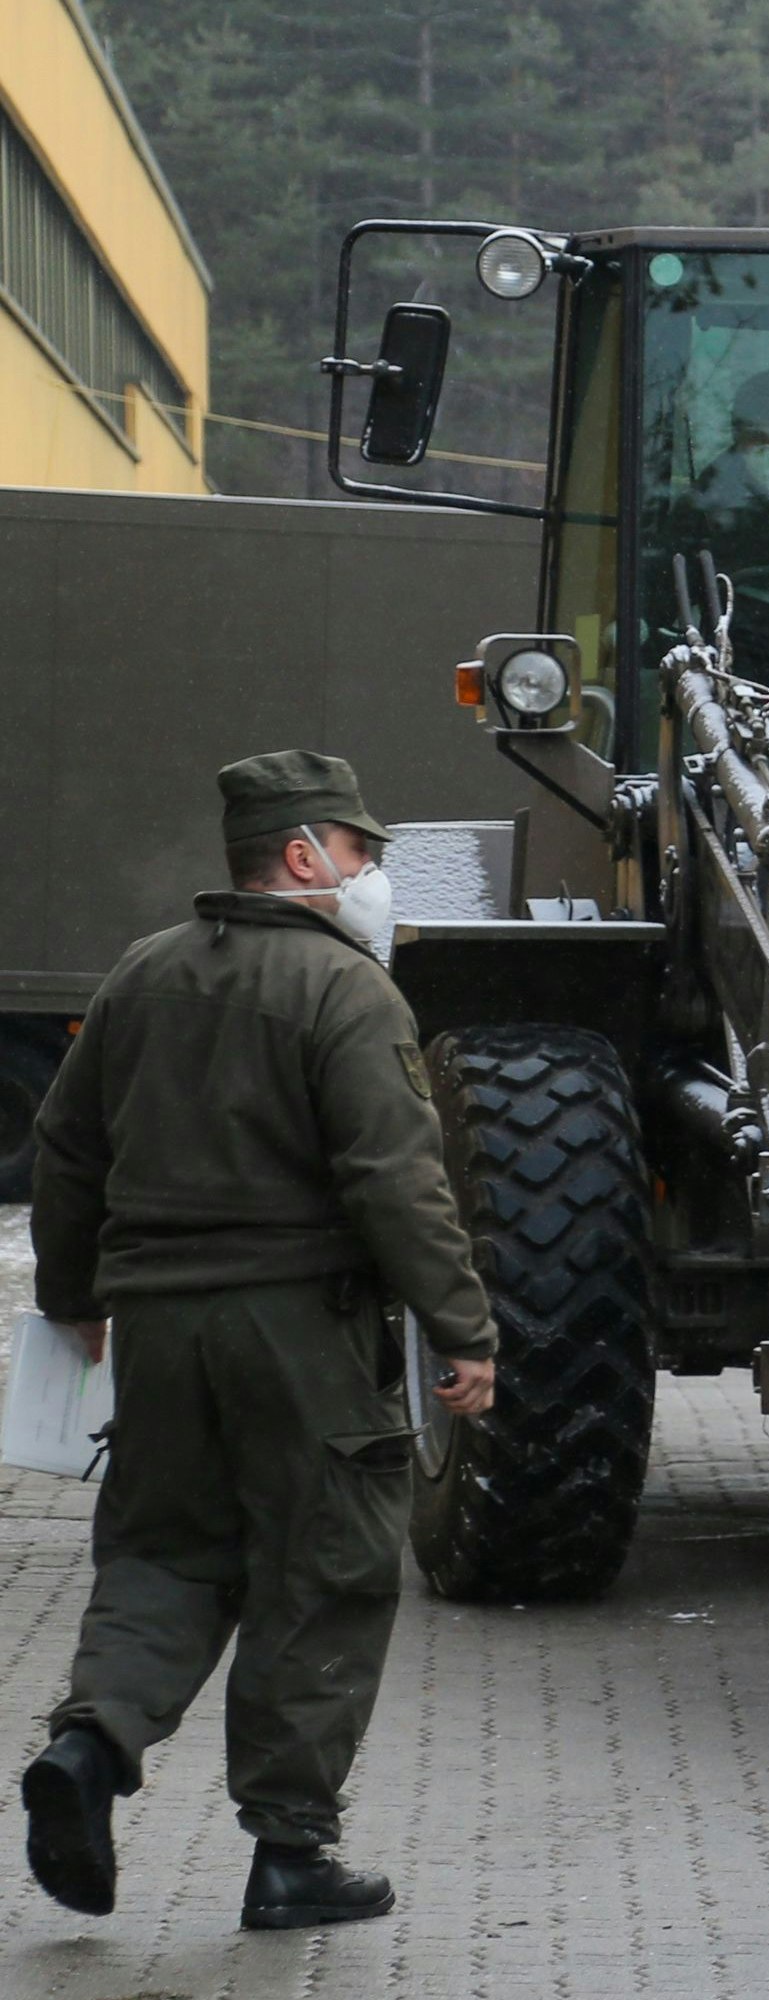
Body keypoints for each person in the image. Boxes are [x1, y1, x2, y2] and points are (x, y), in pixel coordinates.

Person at [21, 751, 500, 1929]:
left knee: (165, 1550)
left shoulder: (142, 974)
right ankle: (290, 1853)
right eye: (362, 852)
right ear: (303, 855)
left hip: (160, 1333)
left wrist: (74, 1292)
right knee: (322, 1571)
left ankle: (90, 1746)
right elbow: (398, 1178)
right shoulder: (348, 991)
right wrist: (462, 1325)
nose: (375, 875)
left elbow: (65, 1146)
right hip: (301, 1330)